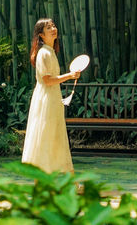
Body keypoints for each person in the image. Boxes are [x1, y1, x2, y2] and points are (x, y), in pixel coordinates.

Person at [21, 17, 80, 173]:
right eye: (48, 28)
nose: (53, 29)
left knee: (56, 135)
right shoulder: (44, 54)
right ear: (41, 34)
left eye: (53, 26)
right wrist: (69, 75)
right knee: (46, 136)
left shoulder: (50, 52)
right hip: (46, 99)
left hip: (52, 98)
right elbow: (47, 80)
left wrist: (70, 76)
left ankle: (68, 180)